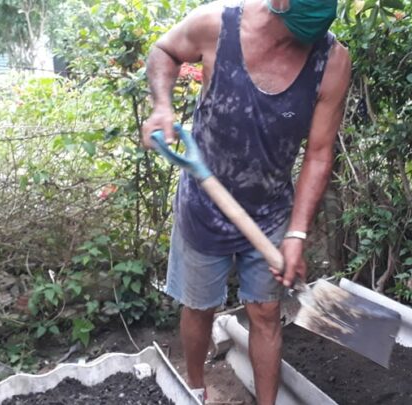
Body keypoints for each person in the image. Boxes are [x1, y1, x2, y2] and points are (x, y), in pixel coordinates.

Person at [141, 0, 350, 403]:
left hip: (271, 210)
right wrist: (162, 106)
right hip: (203, 206)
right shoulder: (217, 24)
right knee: (199, 307)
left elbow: (320, 153)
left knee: (267, 313)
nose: (306, 40)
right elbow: (164, 51)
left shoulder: (333, 60)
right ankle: (196, 389)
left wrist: (297, 231)